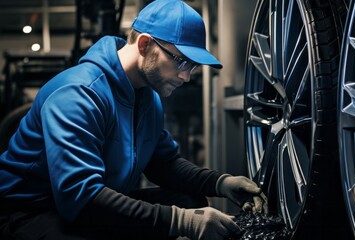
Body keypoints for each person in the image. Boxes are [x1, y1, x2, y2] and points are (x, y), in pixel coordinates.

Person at [0, 0, 267, 239]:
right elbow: (80, 198)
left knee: (190, 202)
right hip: (32, 212)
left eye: (192, 66)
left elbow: (163, 163)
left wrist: (220, 183)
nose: (186, 76)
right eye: (180, 61)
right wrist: (180, 222)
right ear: (144, 44)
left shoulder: (148, 98)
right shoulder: (79, 94)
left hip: (84, 202)